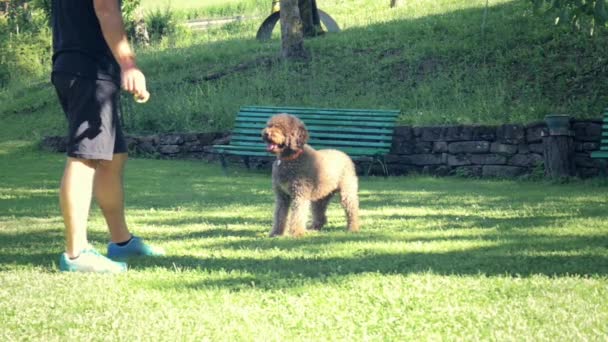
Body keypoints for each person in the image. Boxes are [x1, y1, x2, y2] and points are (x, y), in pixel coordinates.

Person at [51, 0, 164, 273]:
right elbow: (105, 8)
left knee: (113, 156)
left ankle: (121, 241)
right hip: (88, 69)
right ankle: (76, 253)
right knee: (85, 157)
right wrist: (128, 63)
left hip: (79, 65)